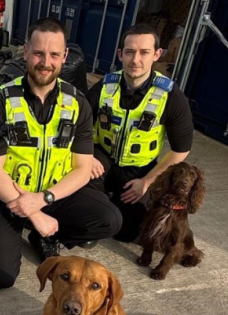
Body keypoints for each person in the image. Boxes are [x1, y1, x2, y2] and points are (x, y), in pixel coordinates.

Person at [0, 17, 122, 289]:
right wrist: (33, 213)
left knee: (109, 219)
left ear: (64, 56)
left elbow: (81, 168)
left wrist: (44, 199)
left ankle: (45, 236)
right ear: (26, 51)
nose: (46, 62)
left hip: (54, 193)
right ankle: (10, 229)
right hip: (6, 197)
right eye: (39, 53)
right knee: (0, 278)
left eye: (54, 54)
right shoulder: (2, 99)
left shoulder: (77, 103)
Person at [86, 23, 194, 242]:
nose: (136, 60)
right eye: (129, 52)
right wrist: (85, 157)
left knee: (127, 235)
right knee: (82, 180)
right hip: (102, 158)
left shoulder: (171, 96)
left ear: (157, 54)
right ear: (120, 54)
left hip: (139, 169)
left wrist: (147, 181)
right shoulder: (104, 87)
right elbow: (79, 126)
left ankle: (117, 204)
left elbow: (181, 150)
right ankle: (92, 215)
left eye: (144, 52)